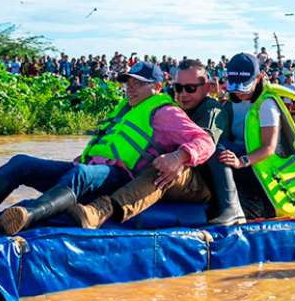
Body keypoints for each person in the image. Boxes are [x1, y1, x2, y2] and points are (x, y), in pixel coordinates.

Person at [0, 62, 216, 236]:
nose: (130, 87)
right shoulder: (124, 109)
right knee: (21, 163)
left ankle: (26, 215)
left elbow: (205, 142)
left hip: (120, 180)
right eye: (128, 82)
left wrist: (180, 156)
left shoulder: (164, 111)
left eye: (139, 83)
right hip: (93, 173)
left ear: (157, 87)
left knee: (81, 175)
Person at [69, 59, 246, 228]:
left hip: (200, 180)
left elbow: (206, 145)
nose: (183, 94)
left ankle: (101, 211)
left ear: (207, 88)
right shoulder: (167, 105)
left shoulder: (211, 110)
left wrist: (179, 158)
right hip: (178, 174)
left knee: (164, 166)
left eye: (190, 89)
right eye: (178, 88)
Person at [216, 53, 295, 219]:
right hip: (242, 158)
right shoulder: (230, 102)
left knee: (218, 148)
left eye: (244, 87)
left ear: (258, 78)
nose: (239, 93)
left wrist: (240, 162)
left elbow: (269, 148)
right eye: (234, 87)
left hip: (256, 165)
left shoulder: (266, 105)